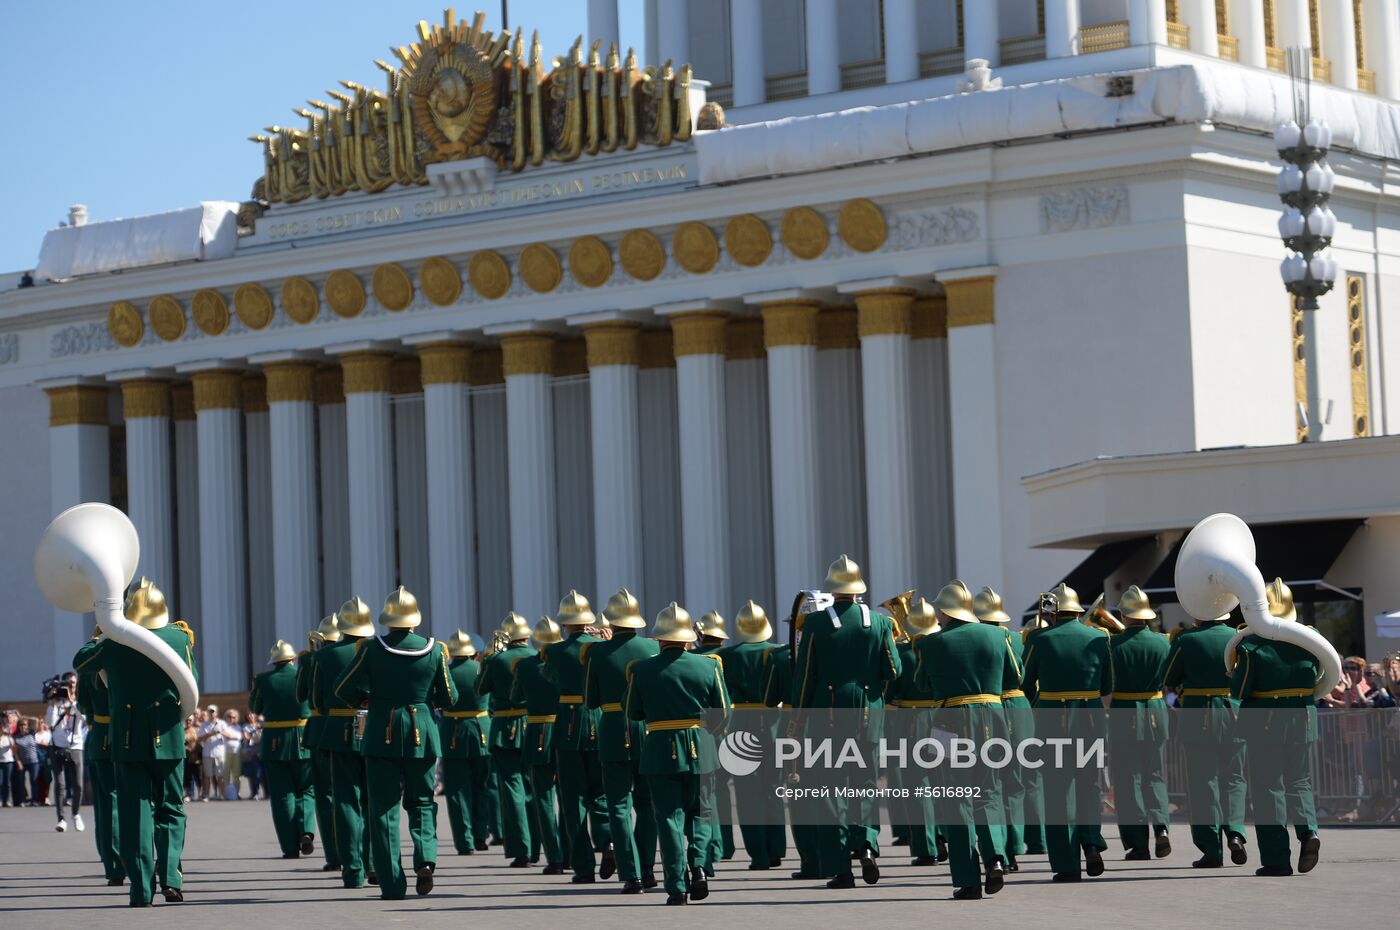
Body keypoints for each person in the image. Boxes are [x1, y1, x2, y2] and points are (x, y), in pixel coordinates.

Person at [73, 578, 196, 906]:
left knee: (134, 813)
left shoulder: (115, 641)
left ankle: (141, 888)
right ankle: (170, 877)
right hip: (168, 736)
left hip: (127, 740)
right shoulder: (179, 637)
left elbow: (81, 662)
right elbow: (190, 683)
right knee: (171, 808)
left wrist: (104, 630)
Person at [334, 587, 457, 900]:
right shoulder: (435, 650)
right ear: (414, 620)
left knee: (384, 809)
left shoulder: (372, 649)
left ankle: (391, 883)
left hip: (381, 732)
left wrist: (369, 698)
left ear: (388, 619)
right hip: (423, 734)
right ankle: (426, 859)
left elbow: (344, 689)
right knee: (422, 802)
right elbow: (450, 697)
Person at [794, 555, 901, 889]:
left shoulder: (815, 624)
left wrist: (798, 719)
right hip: (868, 715)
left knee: (831, 791)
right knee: (865, 785)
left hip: (827, 716)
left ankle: (842, 868)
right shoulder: (881, 622)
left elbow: (805, 675)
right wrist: (872, 691)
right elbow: (894, 670)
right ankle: (867, 844)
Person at [625, 602, 731, 905]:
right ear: (688, 638)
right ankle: (699, 867)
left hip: (659, 747)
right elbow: (723, 713)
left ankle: (676, 886)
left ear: (659, 638)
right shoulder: (709, 664)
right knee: (701, 812)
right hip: (701, 744)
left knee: (668, 818)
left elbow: (634, 712)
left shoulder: (642, 669)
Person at [917, 581, 1016, 900]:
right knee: (988, 791)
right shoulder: (999, 635)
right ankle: (997, 857)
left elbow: (921, 684)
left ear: (945, 611)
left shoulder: (931, 643)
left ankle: (968, 879)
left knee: (955, 797)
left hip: (948, 722)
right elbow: (1016, 677)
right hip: (991, 720)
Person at [1021, 582, 1112, 883]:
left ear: (1054, 611)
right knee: (1089, 784)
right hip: (1089, 718)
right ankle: (1090, 840)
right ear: (1076, 611)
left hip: (1052, 720)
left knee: (1058, 792)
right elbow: (1107, 686)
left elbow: (1025, 681)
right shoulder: (1099, 637)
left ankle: (1067, 864)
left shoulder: (1039, 637)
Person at [1230, 578, 1322, 877]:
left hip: (1264, 722)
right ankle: (1309, 833)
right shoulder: (1311, 636)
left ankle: (1276, 859)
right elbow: (1320, 674)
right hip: (1302, 715)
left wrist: (1233, 667)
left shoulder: (1251, 643)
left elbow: (1240, 690)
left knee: (1269, 788)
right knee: (1300, 781)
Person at [584, 588, 661, 892]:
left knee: (617, 803)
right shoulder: (652, 648)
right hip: (646, 728)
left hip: (613, 727)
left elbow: (590, 700)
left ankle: (630, 874)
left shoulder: (596, 652)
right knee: (647, 802)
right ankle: (649, 868)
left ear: (611, 620)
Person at [1163, 603, 1249, 868]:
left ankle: (1212, 848)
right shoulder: (1238, 637)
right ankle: (1235, 832)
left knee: (1204, 783)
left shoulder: (1187, 640)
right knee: (1234, 777)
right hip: (1233, 713)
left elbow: (1168, 676)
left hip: (1198, 715)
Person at [544, 591, 614, 884]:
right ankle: (608, 842)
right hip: (597, 720)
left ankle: (583, 866)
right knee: (600, 793)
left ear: (564, 623)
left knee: (573, 800)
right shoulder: (600, 646)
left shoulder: (556, 651)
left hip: (568, 725)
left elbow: (549, 677)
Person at [716, 600, 785, 871]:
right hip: (773, 722)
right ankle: (777, 849)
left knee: (747, 793)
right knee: (773, 788)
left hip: (741, 723)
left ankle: (758, 855)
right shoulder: (779, 651)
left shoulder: (728, 655)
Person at [313, 597, 376, 889]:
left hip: (338, 730)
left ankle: (353, 870)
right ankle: (376, 863)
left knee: (346, 801)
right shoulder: (379, 650)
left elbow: (315, 700)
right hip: (374, 728)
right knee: (373, 799)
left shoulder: (324, 656)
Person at [1106, 585, 1172, 860]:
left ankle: (1138, 844)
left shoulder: (1112, 644)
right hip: (1156, 709)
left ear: (1125, 614)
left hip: (1124, 712)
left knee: (1128, 779)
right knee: (1154, 775)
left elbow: (1106, 683)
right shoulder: (1163, 642)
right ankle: (1161, 828)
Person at [888, 597, 945, 867]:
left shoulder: (902, 652)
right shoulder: (943, 646)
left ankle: (926, 847)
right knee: (946, 782)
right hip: (944, 717)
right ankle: (946, 837)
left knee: (916, 785)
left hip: (910, 720)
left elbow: (891, 690)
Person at [478, 613, 537, 869]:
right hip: (532, 727)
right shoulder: (537, 657)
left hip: (504, 728)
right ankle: (538, 848)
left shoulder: (496, 660)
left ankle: (521, 850)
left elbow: (480, 688)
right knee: (535, 790)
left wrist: (488, 661)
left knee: (512, 790)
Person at [249, 640, 314, 859]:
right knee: (306, 790)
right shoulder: (303, 674)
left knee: (282, 795)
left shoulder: (263, 680)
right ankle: (306, 830)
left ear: (274, 662)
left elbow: (254, 707)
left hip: (274, 742)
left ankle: (290, 847)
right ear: (293, 659)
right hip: (303, 739)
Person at [512, 616, 564, 871]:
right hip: (565, 728)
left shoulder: (524, 666)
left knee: (541, 797)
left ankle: (553, 856)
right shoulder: (566, 660)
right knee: (568, 796)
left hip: (536, 731)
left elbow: (515, 698)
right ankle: (570, 854)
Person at [298, 615, 344, 872]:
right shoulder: (360, 650)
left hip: (319, 730)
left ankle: (334, 856)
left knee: (324, 795)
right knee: (355, 794)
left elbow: (303, 695)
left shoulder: (312, 659)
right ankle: (358, 855)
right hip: (353, 728)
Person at [439, 630, 491, 857]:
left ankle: (465, 841)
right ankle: (481, 835)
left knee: (457, 791)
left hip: (454, 732)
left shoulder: (446, 672)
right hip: (482, 730)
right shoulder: (480, 668)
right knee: (482, 786)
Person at [694, 611, 734, 869]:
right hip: (724, 727)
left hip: (702, 730)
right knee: (721, 790)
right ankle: (723, 843)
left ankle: (716, 845)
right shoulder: (728, 655)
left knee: (705, 795)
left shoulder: (697, 658)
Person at [46, 672, 88, 832]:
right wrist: (52, 703)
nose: (70, 686)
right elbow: (49, 722)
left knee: (78, 785)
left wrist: (72, 701)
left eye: (73, 683)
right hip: (57, 746)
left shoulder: (78, 702)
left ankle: (76, 814)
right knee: (60, 784)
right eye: (68, 684)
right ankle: (61, 819)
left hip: (76, 746)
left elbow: (85, 720)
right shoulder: (55, 704)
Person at [198, 706, 224, 801]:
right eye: (210, 712)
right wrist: (210, 734)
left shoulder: (222, 723)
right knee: (207, 776)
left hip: (219, 753)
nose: (211, 713)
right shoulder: (203, 725)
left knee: (220, 775)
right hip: (207, 753)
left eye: (213, 712)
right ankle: (207, 795)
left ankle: (221, 795)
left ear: (216, 713)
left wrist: (221, 733)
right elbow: (199, 739)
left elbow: (227, 735)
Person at [219, 709, 244, 800]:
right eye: (229, 716)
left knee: (237, 775)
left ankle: (237, 793)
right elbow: (222, 736)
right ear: (226, 717)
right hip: (225, 752)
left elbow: (240, 737)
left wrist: (229, 736)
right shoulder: (224, 726)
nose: (231, 718)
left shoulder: (238, 727)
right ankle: (226, 794)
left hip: (237, 752)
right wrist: (232, 736)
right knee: (226, 775)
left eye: (233, 717)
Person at [13, 718, 39, 805]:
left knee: (34, 781)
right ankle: (22, 800)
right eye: (21, 725)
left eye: (24, 724)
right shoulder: (16, 737)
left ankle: (34, 800)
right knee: (21, 782)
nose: (23, 726)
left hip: (34, 762)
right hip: (22, 762)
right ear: (19, 727)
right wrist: (18, 762)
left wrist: (24, 717)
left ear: (27, 726)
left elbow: (36, 720)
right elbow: (15, 752)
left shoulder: (32, 734)